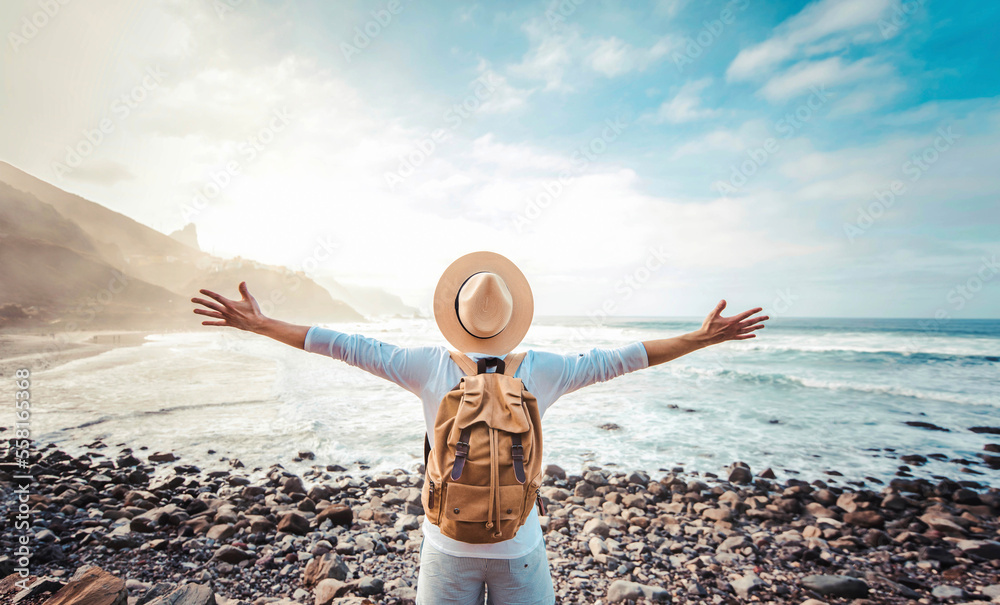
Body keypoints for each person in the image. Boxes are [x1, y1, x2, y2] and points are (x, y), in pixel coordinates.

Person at [191, 251, 768, 605]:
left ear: (458, 317)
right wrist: (699, 338)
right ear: (512, 321)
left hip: (447, 544)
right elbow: (625, 357)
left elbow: (344, 346)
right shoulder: (545, 369)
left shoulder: (426, 366)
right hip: (520, 542)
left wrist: (263, 325)